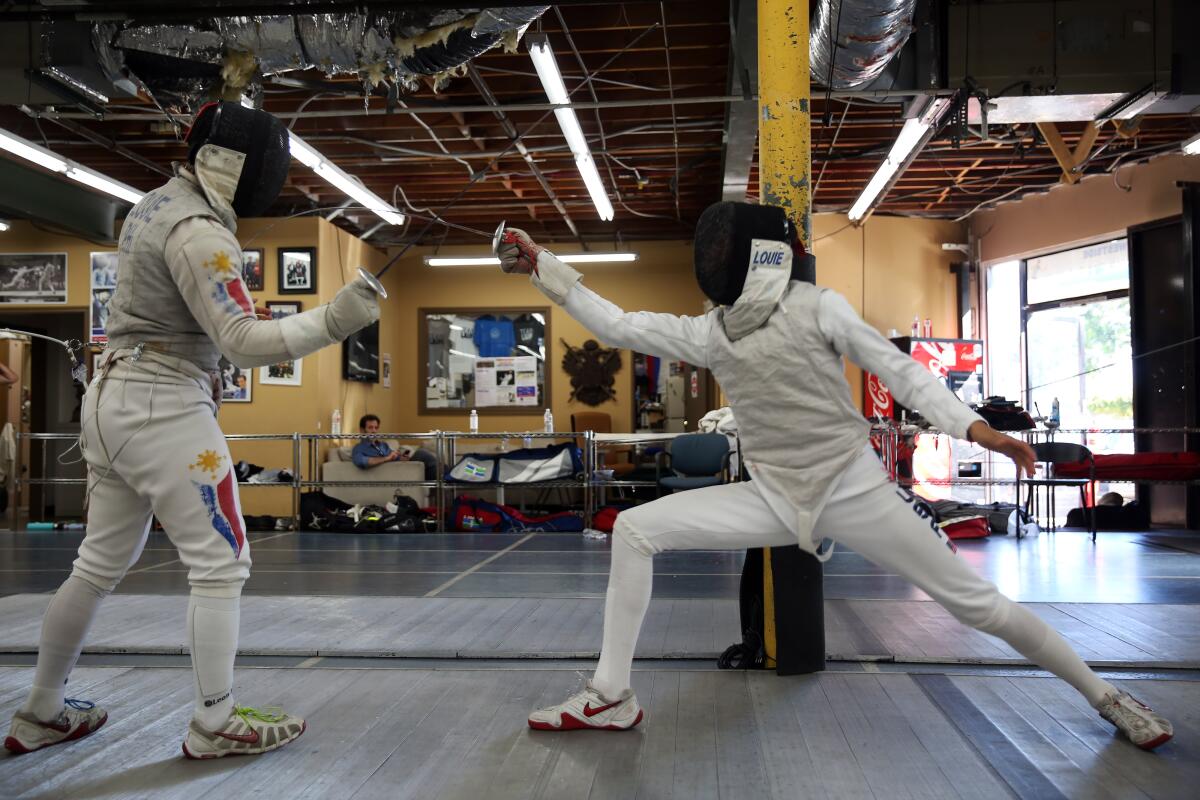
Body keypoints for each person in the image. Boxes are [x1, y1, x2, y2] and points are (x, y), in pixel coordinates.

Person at [493, 202, 1173, 751]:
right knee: (636, 530)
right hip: (775, 497)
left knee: (977, 605)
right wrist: (542, 268)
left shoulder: (818, 308)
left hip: (853, 492)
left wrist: (979, 429)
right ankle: (611, 695)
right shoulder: (714, 331)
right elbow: (619, 323)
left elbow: (899, 369)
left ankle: (1105, 694)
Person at [4, 101, 381, 759]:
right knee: (220, 563)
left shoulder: (154, 204)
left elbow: (201, 320)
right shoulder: (199, 231)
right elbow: (240, 342)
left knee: (96, 566)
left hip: (113, 397)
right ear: (240, 167)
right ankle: (215, 721)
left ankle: (41, 710)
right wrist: (334, 319)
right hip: (162, 406)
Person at [352, 414, 437, 480]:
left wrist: (401, 457)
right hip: (391, 474)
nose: (374, 431)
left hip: (402, 469)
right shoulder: (359, 448)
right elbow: (363, 462)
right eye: (370, 428)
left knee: (426, 458)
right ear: (362, 430)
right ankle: (446, 478)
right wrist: (387, 458)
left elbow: (394, 458)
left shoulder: (383, 445)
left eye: (376, 427)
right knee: (421, 453)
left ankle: (446, 477)